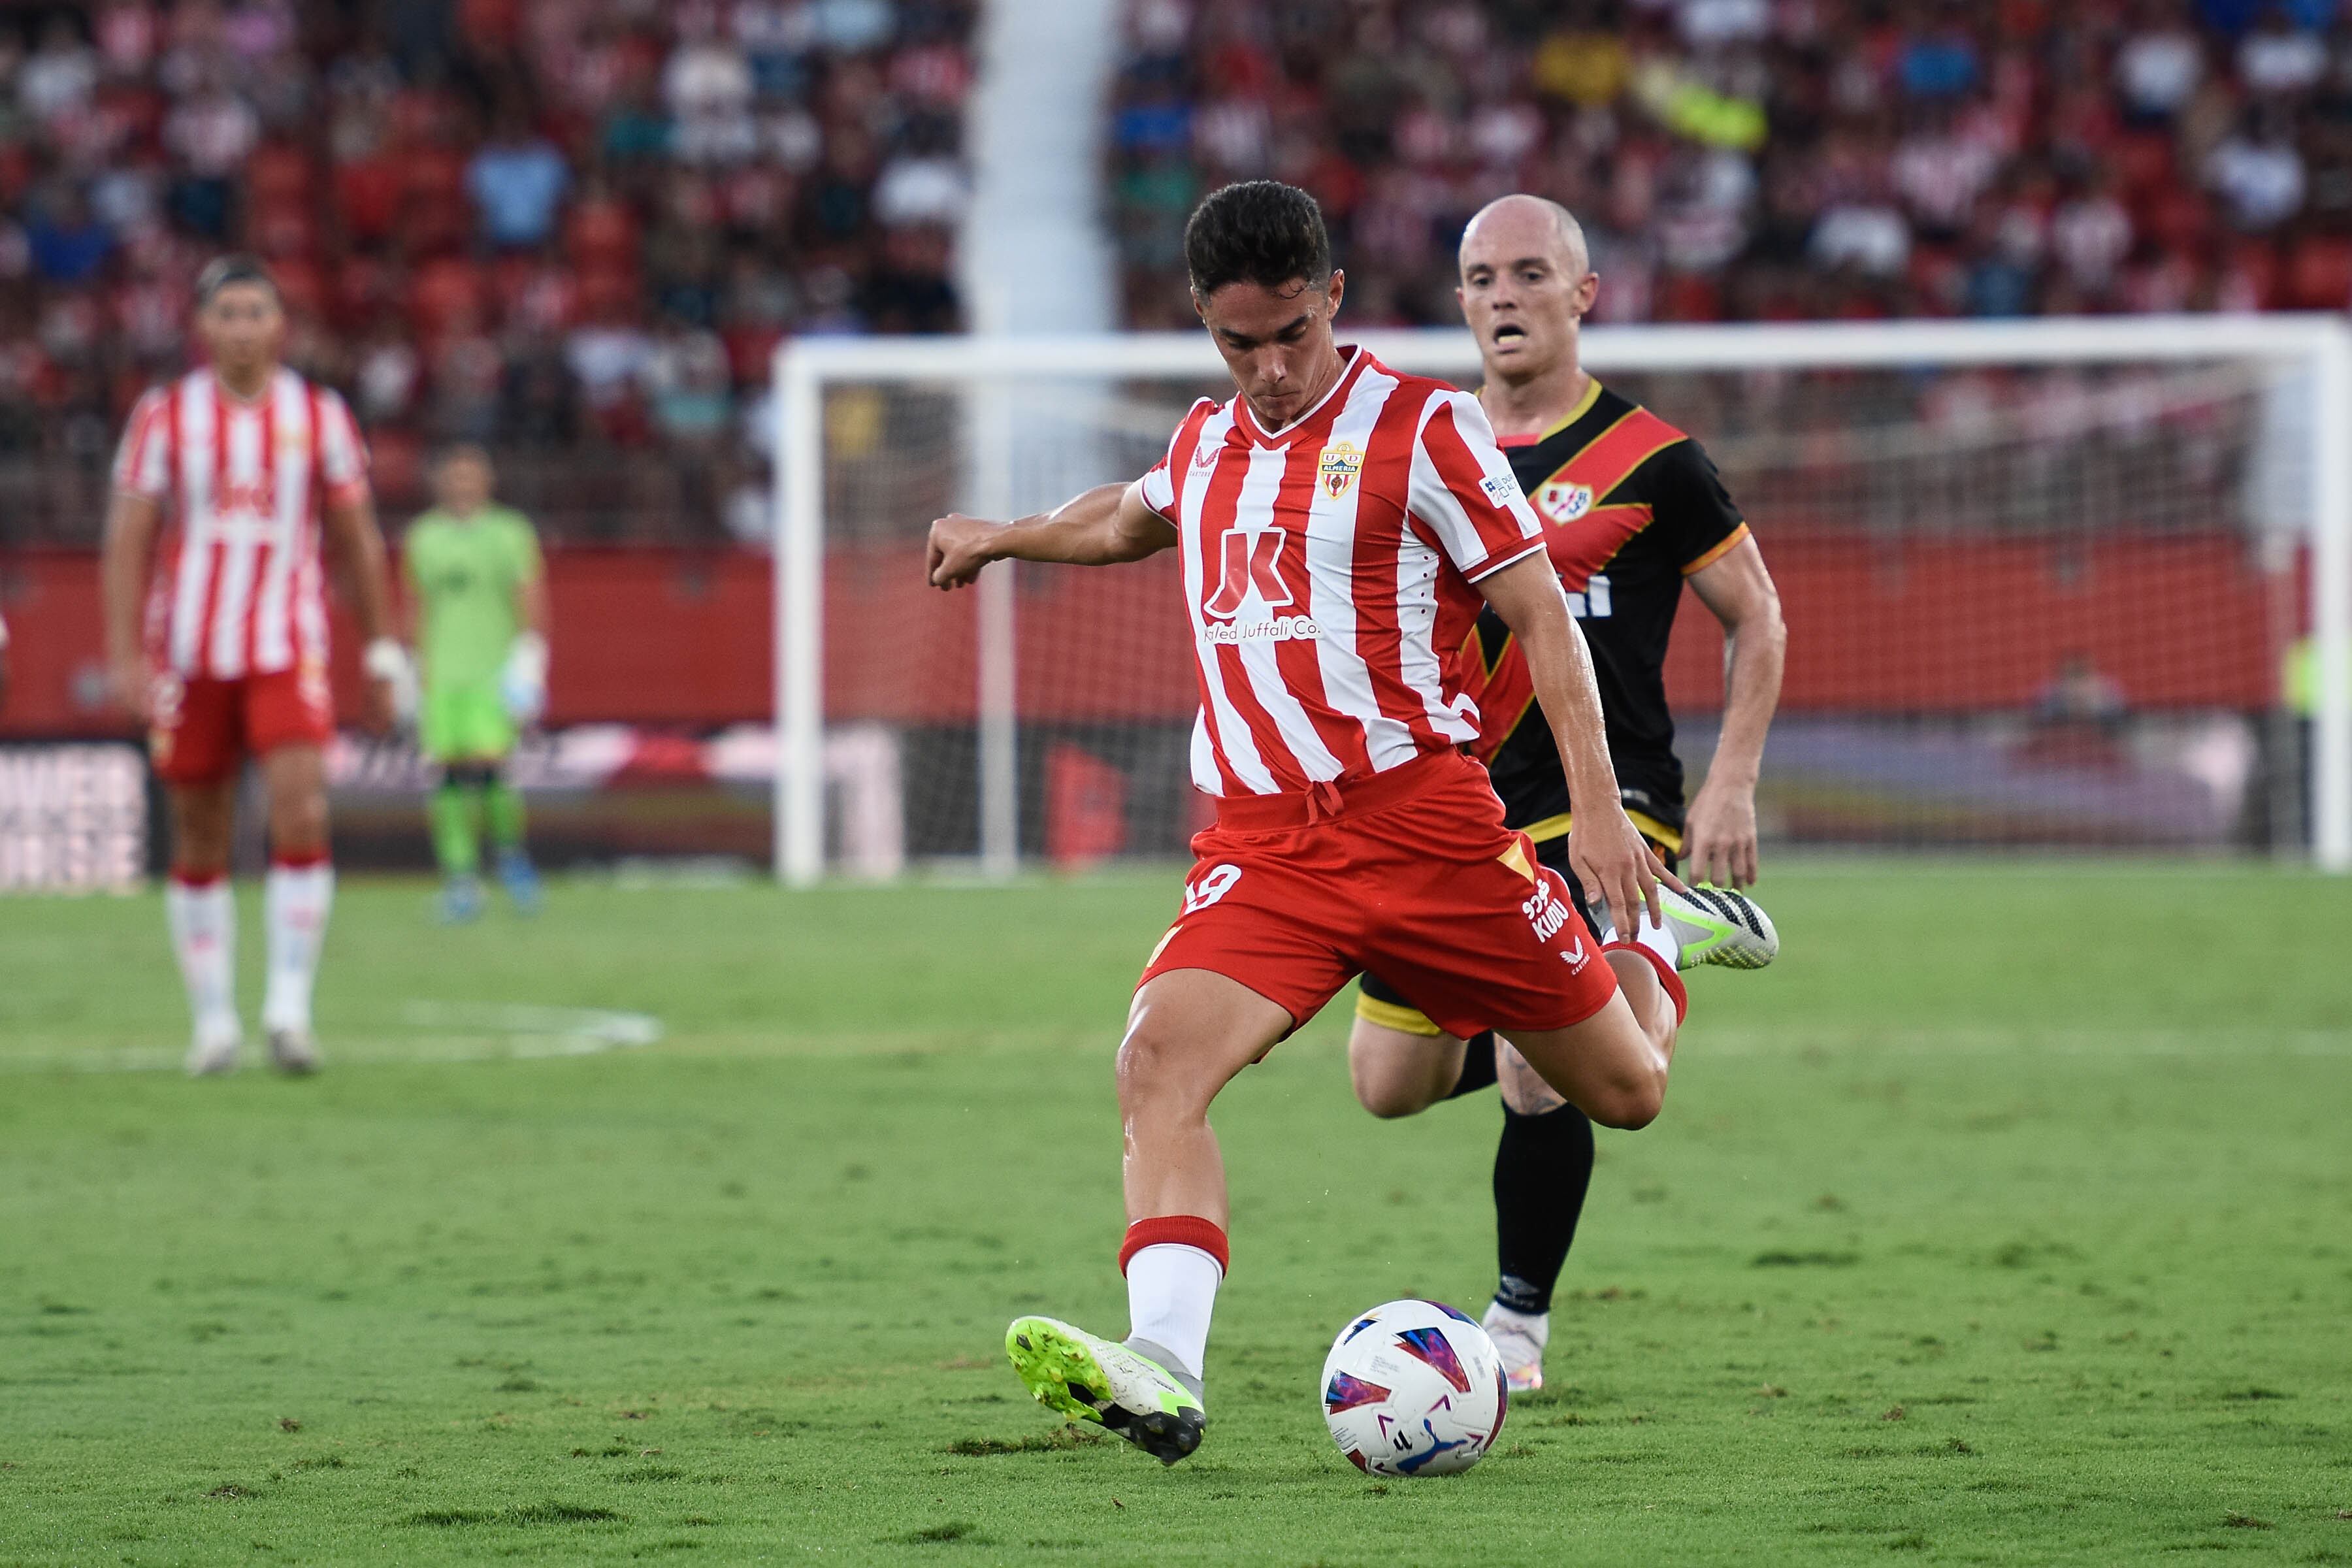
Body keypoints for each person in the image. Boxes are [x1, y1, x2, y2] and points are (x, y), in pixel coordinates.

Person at [926, 181, 1691, 1466]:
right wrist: (1001, 537)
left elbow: (1541, 620)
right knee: (1159, 1065)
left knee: (1628, 1094)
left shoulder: (1424, 431)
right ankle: (1163, 1366)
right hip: (1264, 848)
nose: (1272, 371)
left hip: (1428, 831)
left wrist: (1603, 815)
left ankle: (1671, 937)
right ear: (1206, 329)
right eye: (1241, 346)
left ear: (1332, 298)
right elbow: (1124, 518)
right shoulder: (1207, 445)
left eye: (1292, 335)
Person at [1349, 195, 1788, 1394]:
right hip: (1452, 805)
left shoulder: (1652, 459)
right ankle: (1665, 947)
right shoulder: (1430, 452)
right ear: (1458, 301)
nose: (1502, 295)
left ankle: (1514, 1330)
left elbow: (1757, 615)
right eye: (1480, 276)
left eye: (1529, 273)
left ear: (1582, 295)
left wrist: (1734, 779)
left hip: (1606, 805)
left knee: (1553, 1072)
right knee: (1392, 1086)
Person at [99, 255, 410, 1076]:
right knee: (198, 831)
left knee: (300, 810)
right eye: (226, 314)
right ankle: (212, 1023)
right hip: (190, 652)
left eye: (256, 313)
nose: (242, 328)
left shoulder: (321, 416)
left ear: (281, 326)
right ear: (202, 328)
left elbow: (356, 539)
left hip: (285, 645)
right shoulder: (164, 418)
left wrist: (381, 651)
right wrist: (127, 653)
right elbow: (129, 539)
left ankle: (288, 1012)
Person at [403, 444, 548, 921]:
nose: (463, 486)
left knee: (490, 769)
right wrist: (409, 667)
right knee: (445, 773)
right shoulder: (424, 537)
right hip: (442, 674)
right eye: (455, 477)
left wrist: (530, 658)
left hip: (492, 672)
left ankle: (511, 858)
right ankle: (461, 878)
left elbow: (530, 595)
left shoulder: (510, 533)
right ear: (441, 483)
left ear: (487, 482)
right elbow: (414, 605)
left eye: (471, 477)